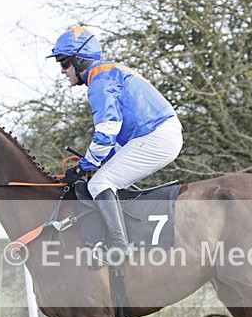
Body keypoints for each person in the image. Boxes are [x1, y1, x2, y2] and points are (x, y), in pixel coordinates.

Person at [47, 27, 183, 264]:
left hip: (155, 135)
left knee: (100, 182)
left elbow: (107, 129)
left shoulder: (100, 79)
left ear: (79, 61)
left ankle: (120, 246)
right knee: (105, 180)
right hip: (153, 134)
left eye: (64, 63)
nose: (62, 70)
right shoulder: (106, 74)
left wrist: (84, 166)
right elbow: (114, 135)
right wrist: (93, 161)